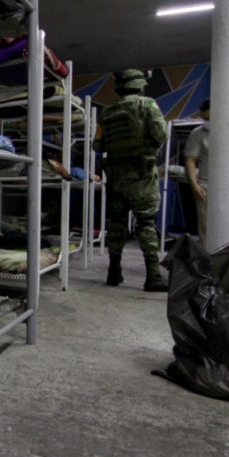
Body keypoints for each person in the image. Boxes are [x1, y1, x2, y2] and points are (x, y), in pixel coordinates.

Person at [93, 69, 169, 291]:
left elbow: (97, 146)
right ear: (141, 85)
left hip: (116, 178)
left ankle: (113, 272)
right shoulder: (148, 105)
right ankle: (153, 277)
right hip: (142, 177)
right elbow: (162, 135)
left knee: (116, 224)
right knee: (146, 224)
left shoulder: (106, 113)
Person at [184, 98, 210, 249]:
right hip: (205, 186)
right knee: (205, 229)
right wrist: (194, 185)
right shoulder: (199, 133)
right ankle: (207, 259)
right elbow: (190, 159)